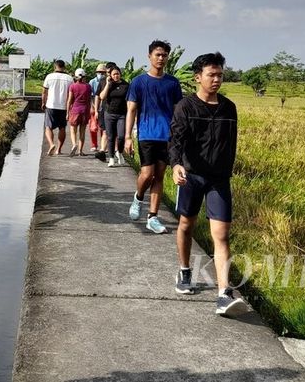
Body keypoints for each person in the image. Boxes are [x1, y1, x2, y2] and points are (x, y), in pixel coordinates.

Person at [169, 52, 245, 317]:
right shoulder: (185, 107)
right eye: (211, 75)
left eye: (220, 75)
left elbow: (231, 144)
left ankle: (224, 294)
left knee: (222, 235)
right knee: (187, 225)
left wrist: (226, 170)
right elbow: (176, 140)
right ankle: (184, 270)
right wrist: (176, 164)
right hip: (191, 176)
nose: (216, 80)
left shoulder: (229, 108)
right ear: (198, 77)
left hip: (219, 179)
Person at [125, 40, 183, 234]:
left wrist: (179, 135)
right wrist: (127, 136)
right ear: (149, 56)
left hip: (167, 136)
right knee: (146, 174)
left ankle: (153, 217)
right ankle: (138, 197)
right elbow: (131, 110)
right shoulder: (139, 82)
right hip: (147, 134)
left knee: (159, 176)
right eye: (157, 55)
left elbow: (177, 111)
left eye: (164, 55)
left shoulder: (173, 83)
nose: (161, 58)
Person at [99, 65, 129, 167]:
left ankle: (119, 152)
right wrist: (108, 84)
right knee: (111, 137)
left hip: (122, 114)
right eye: (114, 74)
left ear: (120, 74)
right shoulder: (108, 84)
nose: (116, 76)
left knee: (121, 136)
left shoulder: (126, 85)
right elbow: (102, 97)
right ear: (110, 75)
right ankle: (111, 158)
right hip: (109, 113)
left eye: (118, 74)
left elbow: (129, 100)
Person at [41, 60, 74, 156]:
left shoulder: (49, 77)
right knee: (62, 127)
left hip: (51, 105)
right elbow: (71, 94)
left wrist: (43, 102)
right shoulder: (69, 78)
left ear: (55, 67)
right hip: (63, 106)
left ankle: (51, 144)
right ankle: (58, 150)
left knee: (48, 127)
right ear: (64, 67)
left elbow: (44, 92)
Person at [66, 68, 93, 156]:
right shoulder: (88, 86)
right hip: (85, 110)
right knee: (82, 131)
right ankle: (80, 151)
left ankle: (74, 144)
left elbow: (69, 100)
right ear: (84, 76)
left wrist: (67, 112)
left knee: (73, 129)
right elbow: (89, 99)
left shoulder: (72, 86)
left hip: (75, 110)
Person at [88, 64, 107, 152]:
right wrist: (93, 107)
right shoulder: (92, 82)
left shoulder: (107, 81)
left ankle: (103, 146)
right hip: (94, 106)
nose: (101, 74)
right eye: (99, 72)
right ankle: (94, 144)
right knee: (93, 127)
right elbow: (90, 96)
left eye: (103, 72)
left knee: (103, 128)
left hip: (104, 107)